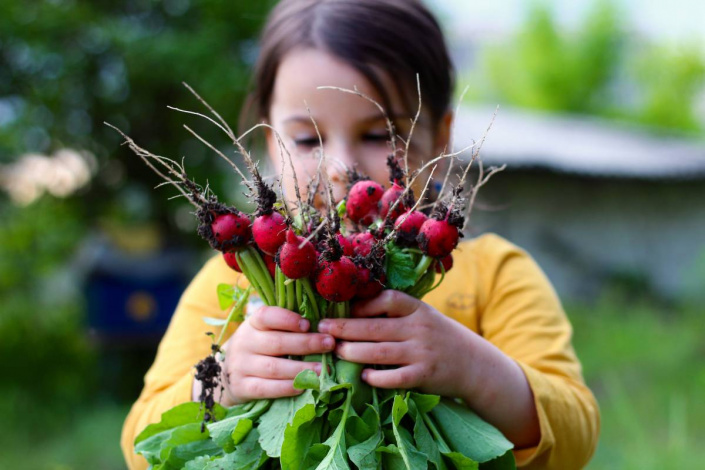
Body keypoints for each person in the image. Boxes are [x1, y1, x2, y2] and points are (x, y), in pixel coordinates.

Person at [121, 1, 600, 469]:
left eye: (379, 136)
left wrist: (473, 369)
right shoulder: (222, 290)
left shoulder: (494, 274)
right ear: (272, 142)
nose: (341, 169)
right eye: (308, 140)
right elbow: (142, 444)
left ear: (439, 138)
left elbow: (576, 434)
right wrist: (221, 380)